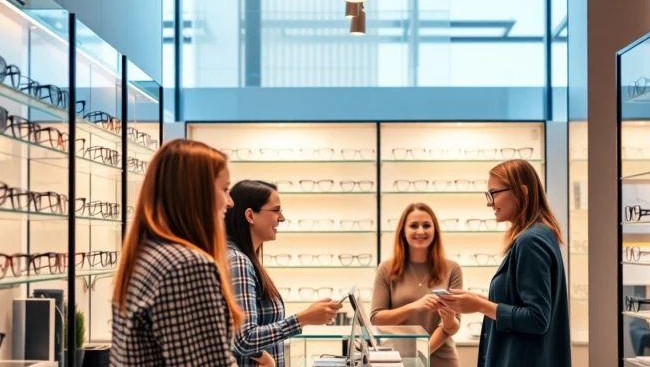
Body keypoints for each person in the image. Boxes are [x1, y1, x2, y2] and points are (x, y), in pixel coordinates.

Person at [110, 139, 242, 366]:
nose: (229, 202)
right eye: (224, 189)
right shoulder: (186, 265)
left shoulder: (148, 256)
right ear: (196, 193)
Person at [439, 159, 571, 367]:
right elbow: (520, 303)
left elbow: (537, 318)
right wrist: (478, 300)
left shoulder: (531, 241)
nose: (490, 202)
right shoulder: (538, 235)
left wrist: (481, 306)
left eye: (494, 193)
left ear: (522, 192)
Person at [225, 179, 342, 367]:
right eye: (276, 210)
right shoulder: (238, 261)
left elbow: (231, 332)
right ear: (250, 215)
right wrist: (302, 319)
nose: (282, 218)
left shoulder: (239, 258)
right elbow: (244, 338)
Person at [370, 202, 463, 367]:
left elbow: (453, 326)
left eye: (427, 225)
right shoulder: (386, 269)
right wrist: (414, 306)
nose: (421, 231)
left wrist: (423, 352)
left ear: (435, 231)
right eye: (414, 226)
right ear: (403, 232)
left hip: (442, 360)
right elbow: (376, 318)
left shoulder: (452, 269)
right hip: (398, 359)